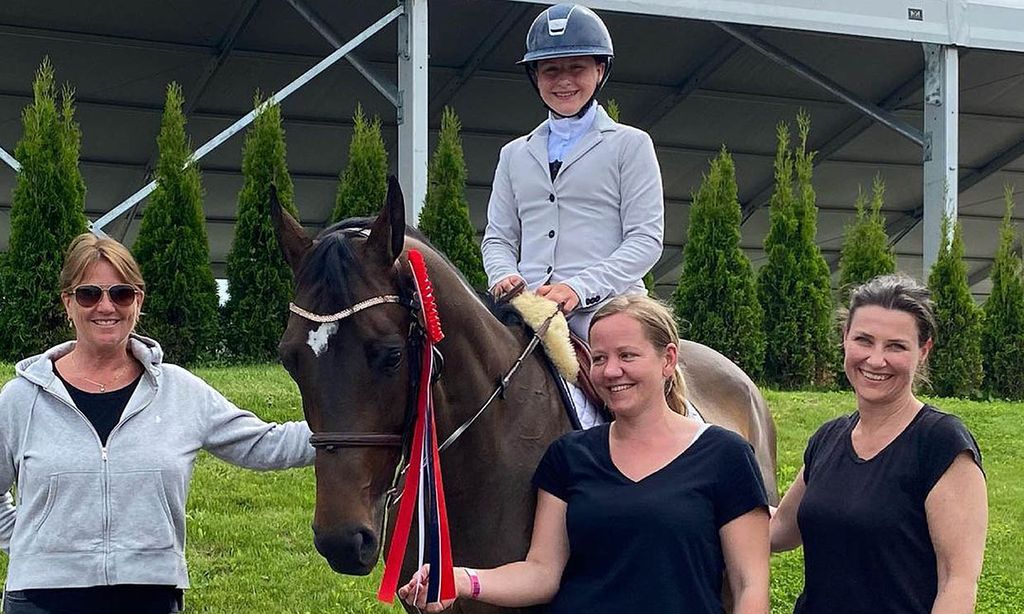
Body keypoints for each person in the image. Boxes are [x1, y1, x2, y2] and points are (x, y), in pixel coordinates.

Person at [0, 234, 315, 614]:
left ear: (138, 302)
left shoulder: (180, 391)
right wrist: (29, 544)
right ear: (68, 302)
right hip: (40, 599)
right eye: (89, 294)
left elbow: (265, 444)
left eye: (121, 294)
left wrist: (359, 432)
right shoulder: (21, 398)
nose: (106, 306)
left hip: (150, 595)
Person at [400, 295, 770, 613]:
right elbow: (542, 572)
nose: (610, 371)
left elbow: (748, 584)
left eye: (627, 355)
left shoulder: (725, 456)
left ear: (668, 360)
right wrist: (462, 579)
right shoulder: (569, 456)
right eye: (598, 358)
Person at [769, 274, 988, 614]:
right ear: (845, 339)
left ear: (923, 351)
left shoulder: (940, 444)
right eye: (864, 340)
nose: (875, 360)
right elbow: (780, 530)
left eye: (896, 346)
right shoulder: (829, 438)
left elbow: (957, 582)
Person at [481, 3, 664, 340]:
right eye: (551, 70)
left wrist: (578, 288)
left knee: (623, 377)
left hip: (608, 307)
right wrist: (502, 275)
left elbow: (645, 240)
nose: (563, 81)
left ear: (599, 69)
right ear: (535, 76)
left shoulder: (631, 144)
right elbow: (499, 237)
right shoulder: (513, 154)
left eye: (576, 68)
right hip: (528, 309)